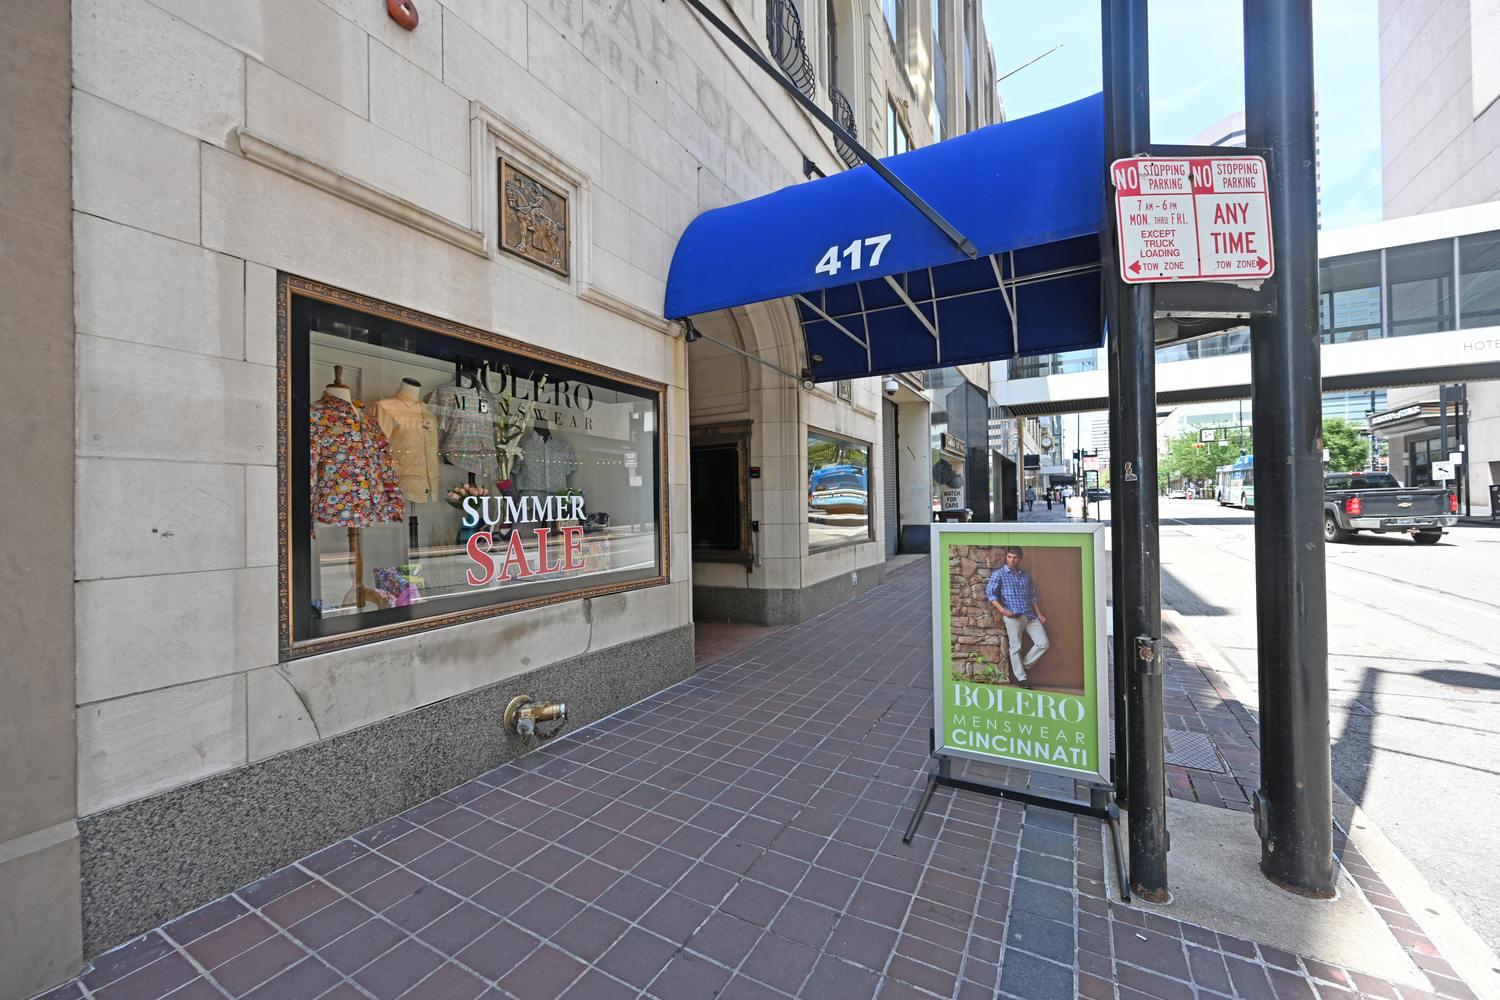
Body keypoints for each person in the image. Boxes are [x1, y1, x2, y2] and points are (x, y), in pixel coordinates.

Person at [984, 547, 1049, 687]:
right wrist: (1003, 611)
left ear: (1020, 559)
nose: (1011, 560)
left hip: (1030, 615)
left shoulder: (1026, 575)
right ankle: (1021, 678)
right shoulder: (999, 574)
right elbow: (990, 594)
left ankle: (1023, 664)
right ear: (1006, 557)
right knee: (1016, 647)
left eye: (1015, 558)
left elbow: (1033, 596)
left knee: (1043, 643)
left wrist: (1039, 614)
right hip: (1013, 617)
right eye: (1009, 557)